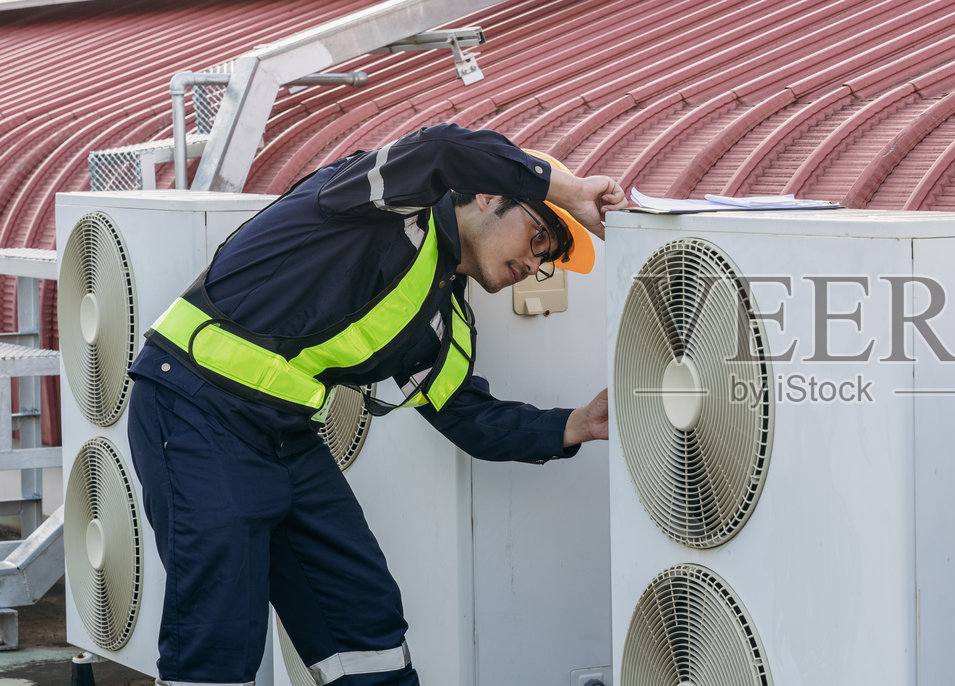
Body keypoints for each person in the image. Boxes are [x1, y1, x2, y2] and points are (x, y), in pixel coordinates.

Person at [125, 123, 623, 686]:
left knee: (362, 617)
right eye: (538, 239)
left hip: (283, 435)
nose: (536, 265)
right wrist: (567, 189)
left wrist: (576, 425)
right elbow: (443, 150)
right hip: (194, 408)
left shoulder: (442, 321)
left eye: (548, 259)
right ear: (487, 193)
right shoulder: (382, 203)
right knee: (219, 631)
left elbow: (466, 417)